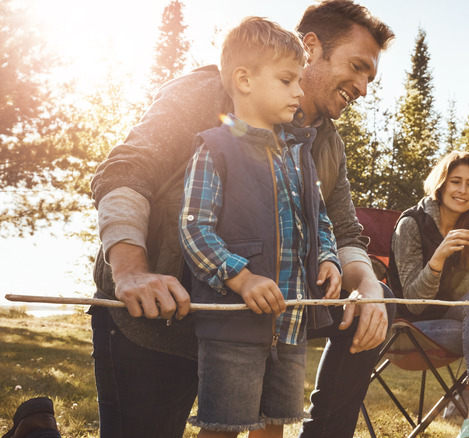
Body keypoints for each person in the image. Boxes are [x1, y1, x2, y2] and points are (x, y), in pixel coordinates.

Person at [89, 1, 395, 437]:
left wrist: (366, 285)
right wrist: (131, 270)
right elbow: (127, 169)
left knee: (375, 295)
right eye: (358, 66)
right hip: (158, 322)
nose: (364, 88)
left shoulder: (325, 144)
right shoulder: (208, 92)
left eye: (371, 77)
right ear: (311, 48)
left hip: (256, 328)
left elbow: (342, 229)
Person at [177, 17, 341, 438]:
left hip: (290, 323)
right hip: (234, 325)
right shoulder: (216, 148)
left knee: (274, 426)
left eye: (300, 81)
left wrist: (327, 257)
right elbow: (195, 231)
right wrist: (242, 276)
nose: (300, 91)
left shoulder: (299, 152)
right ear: (244, 80)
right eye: (288, 80)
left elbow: (319, 218)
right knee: (225, 426)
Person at [387, 151, 469, 438]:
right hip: (411, 329)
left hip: (450, 322)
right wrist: (438, 258)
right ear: (441, 184)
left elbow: (461, 294)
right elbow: (414, 304)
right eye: (456, 181)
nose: (463, 190)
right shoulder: (411, 225)